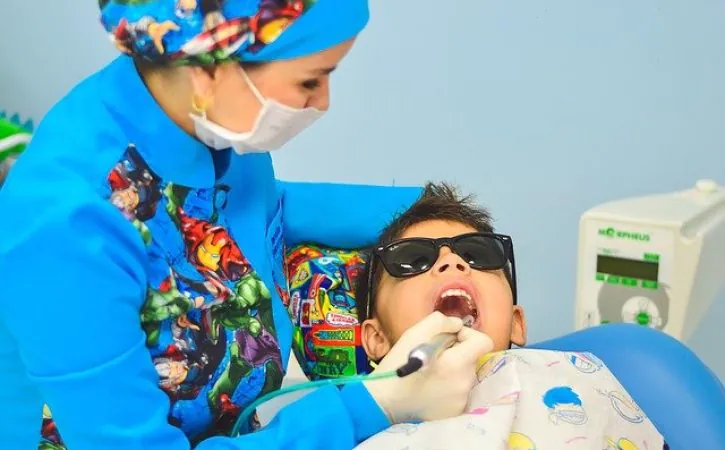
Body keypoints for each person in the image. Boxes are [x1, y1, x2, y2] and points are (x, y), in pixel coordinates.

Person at [0, 2, 492, 449]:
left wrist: (435, 214)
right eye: (310, 81)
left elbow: (247, 210)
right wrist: (376, 405)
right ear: (208, 68)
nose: (323, 102)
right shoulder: (68, 228)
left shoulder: (201, 121)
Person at [353, 182, 666, 449]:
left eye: (477, 255)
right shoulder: (356, 433)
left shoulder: (579, 376)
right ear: (377, 339)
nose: (452, 261)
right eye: (412, 259)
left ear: (516, 323)